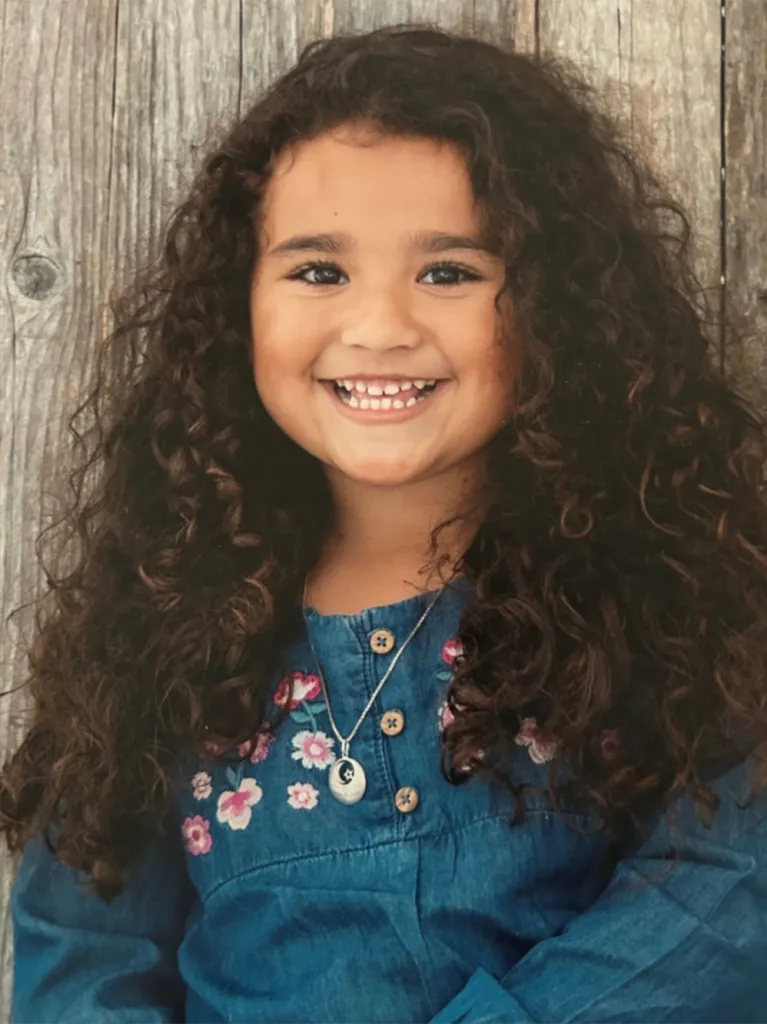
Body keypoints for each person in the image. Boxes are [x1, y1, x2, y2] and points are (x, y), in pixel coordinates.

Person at [2, 21, 767, 1023]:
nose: (378, 326)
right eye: (318, 271)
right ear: (237, 307)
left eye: (447, 271)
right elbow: (84, 951)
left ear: (553, 303)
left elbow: (725, 891)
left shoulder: (659, 587)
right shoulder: (159, 625)